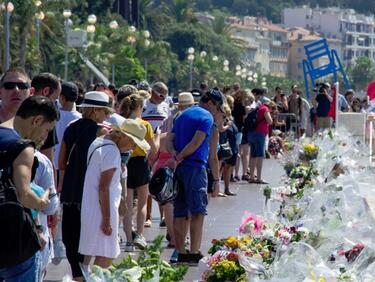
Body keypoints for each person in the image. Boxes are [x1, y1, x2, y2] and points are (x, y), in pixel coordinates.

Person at [0, 96, 59, 281]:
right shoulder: (24, 148)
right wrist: (41, 202)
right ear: (37, 120)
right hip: (14, 240)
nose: (44, 136)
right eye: (46, 130)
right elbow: (24, 194)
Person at [79, 119, 149, 268]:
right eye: (133, 143)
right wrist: (107, 220)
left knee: (88, 256)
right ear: (124, 137)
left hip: (91, 207)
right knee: (105, 257)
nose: (133, 147)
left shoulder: (99, 141)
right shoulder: (112, 151)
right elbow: (103, 187)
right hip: (102, 209)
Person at [58, 91, 112, 281]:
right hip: (90, 188)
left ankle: (76, 273)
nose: (106, 115)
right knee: (86, 234)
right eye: (105, 112)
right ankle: (83, 273)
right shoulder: (103, 133)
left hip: (71, 187)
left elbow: (61, 162)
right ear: (96, 111)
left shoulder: (70, 128)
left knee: (70, 234)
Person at [167, 89, 224, 264]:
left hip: (180, 169)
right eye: (218, 107)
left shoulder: (181, 115)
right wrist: (216, 180)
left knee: (180, 212)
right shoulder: (206, 118)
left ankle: (179, 251)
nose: (217, 111)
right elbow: (197, 143)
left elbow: (168, 139)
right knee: (198, 212)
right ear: (212, 103)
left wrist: (175, 154)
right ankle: (193, 252)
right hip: (195, 168)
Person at [120, 94, 159, 252]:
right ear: (139, 108)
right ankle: (140, 235)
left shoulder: (123, 123)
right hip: (141, 163)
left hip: (126, 162)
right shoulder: (145, 125)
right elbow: (154, 150)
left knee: (128, 203)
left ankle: (129, 240)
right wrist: (157, 137)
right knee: (143, 201)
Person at [142, 82, 170, 228]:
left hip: (161, 148)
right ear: (152, 92)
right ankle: (147, 216)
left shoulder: (165, 106)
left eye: (165, 96)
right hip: (146, 147)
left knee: (161, 181)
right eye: (161, 95)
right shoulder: (144, 104)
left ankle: (163, 216)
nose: (163, 98)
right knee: (146, 183)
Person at [54, 81, 82, 172]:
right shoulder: (80, 118)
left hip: (53, 162)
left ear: (62, 97)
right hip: (68, 166)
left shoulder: (54, 115)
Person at [232, 89, 255, 182]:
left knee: (241, 152)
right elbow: (246, 113)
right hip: (241, 130)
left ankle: (237, 173)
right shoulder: (241, 107)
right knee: (242, 153)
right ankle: (242, 173)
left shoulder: (234, 106)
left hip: (239, 130)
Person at [248, 99, 273, 184]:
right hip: (260, 133)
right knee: (260, 156)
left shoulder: (257, 108)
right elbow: (270, 121)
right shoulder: (265, 109)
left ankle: (251, 177)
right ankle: (259, 177)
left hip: (251, 133)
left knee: (253, 155)